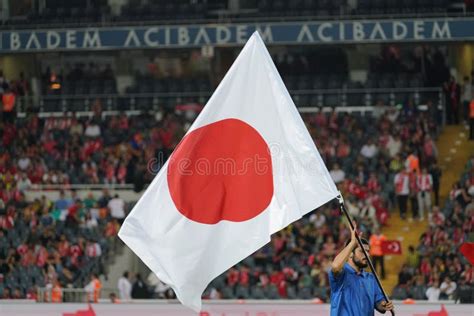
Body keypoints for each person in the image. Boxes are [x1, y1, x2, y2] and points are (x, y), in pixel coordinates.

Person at [329, 225, 394, 315]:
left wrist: (384, 304)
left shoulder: (371, 278)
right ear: (350, 254)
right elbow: (335, 266)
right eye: (362, 251)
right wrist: (352, 243)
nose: (367, 255)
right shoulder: (341, 274)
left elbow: (379, 303)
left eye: (368, 251)